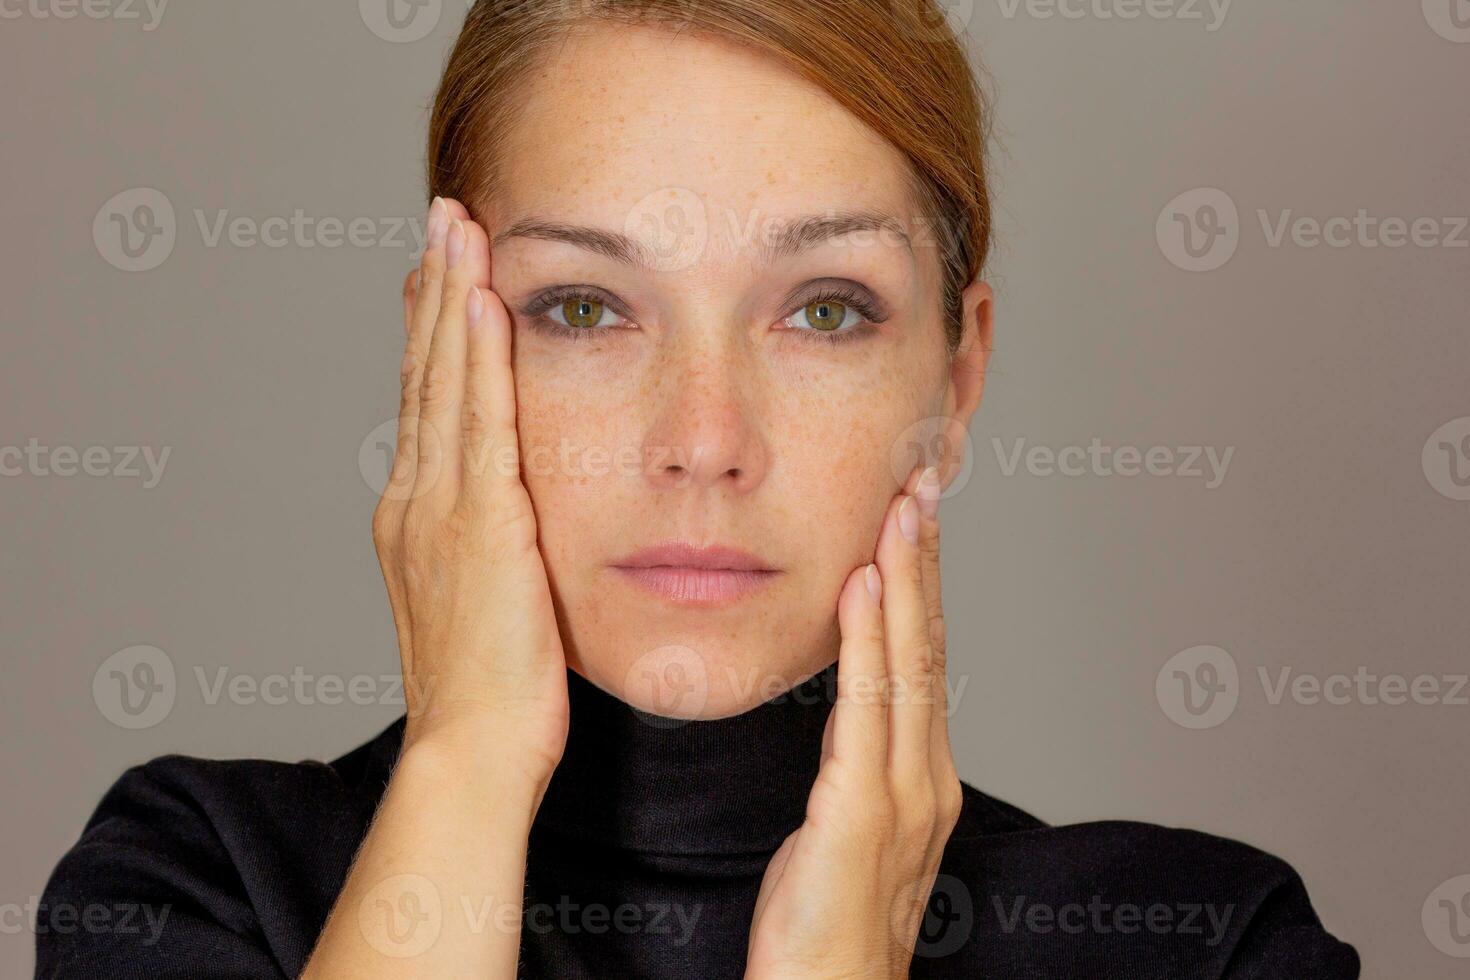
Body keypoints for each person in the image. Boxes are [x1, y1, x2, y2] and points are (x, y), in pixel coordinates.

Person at [36, 1, 1359, 976]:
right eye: (585, 307)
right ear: (439, 356)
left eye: (825, 311)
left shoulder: (1208, 948)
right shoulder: (189, 882)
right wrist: (466, 765)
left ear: (952, 387)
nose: (703, 436)